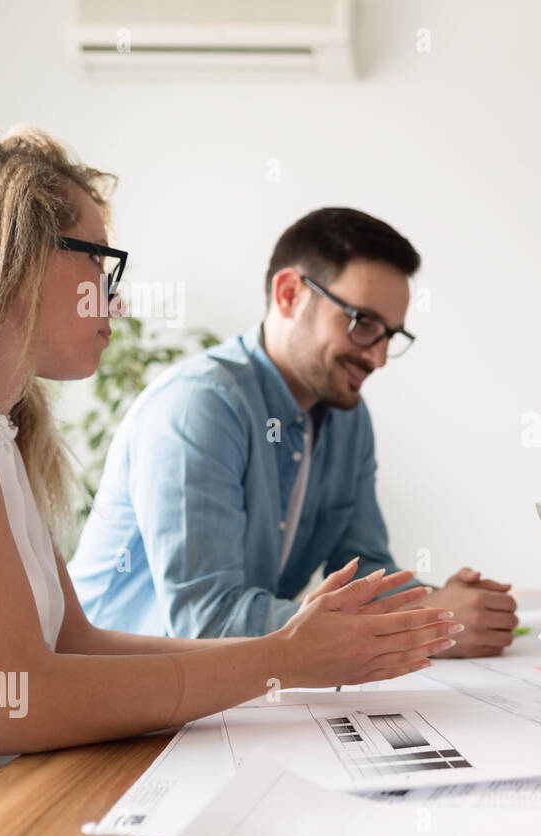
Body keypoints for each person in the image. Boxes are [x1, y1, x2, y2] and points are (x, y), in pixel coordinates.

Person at [0, 126, 462, 812]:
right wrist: (285, 660)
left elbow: (74, 644)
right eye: (99, 263)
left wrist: (310, 646)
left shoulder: (2, 426)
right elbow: (18, 703)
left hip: (11, 790)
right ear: (22, 255)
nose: (114, 300)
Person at [69, 207, 518, 656]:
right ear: (289, 295)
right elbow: (209, 623)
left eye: (391, 336)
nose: (378, 358)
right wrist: (426, 622)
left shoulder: (348, 418)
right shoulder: (198, 407)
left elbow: (364, 569)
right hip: (119, 699)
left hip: (227, 700)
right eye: (364, 324)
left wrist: (449, 608)